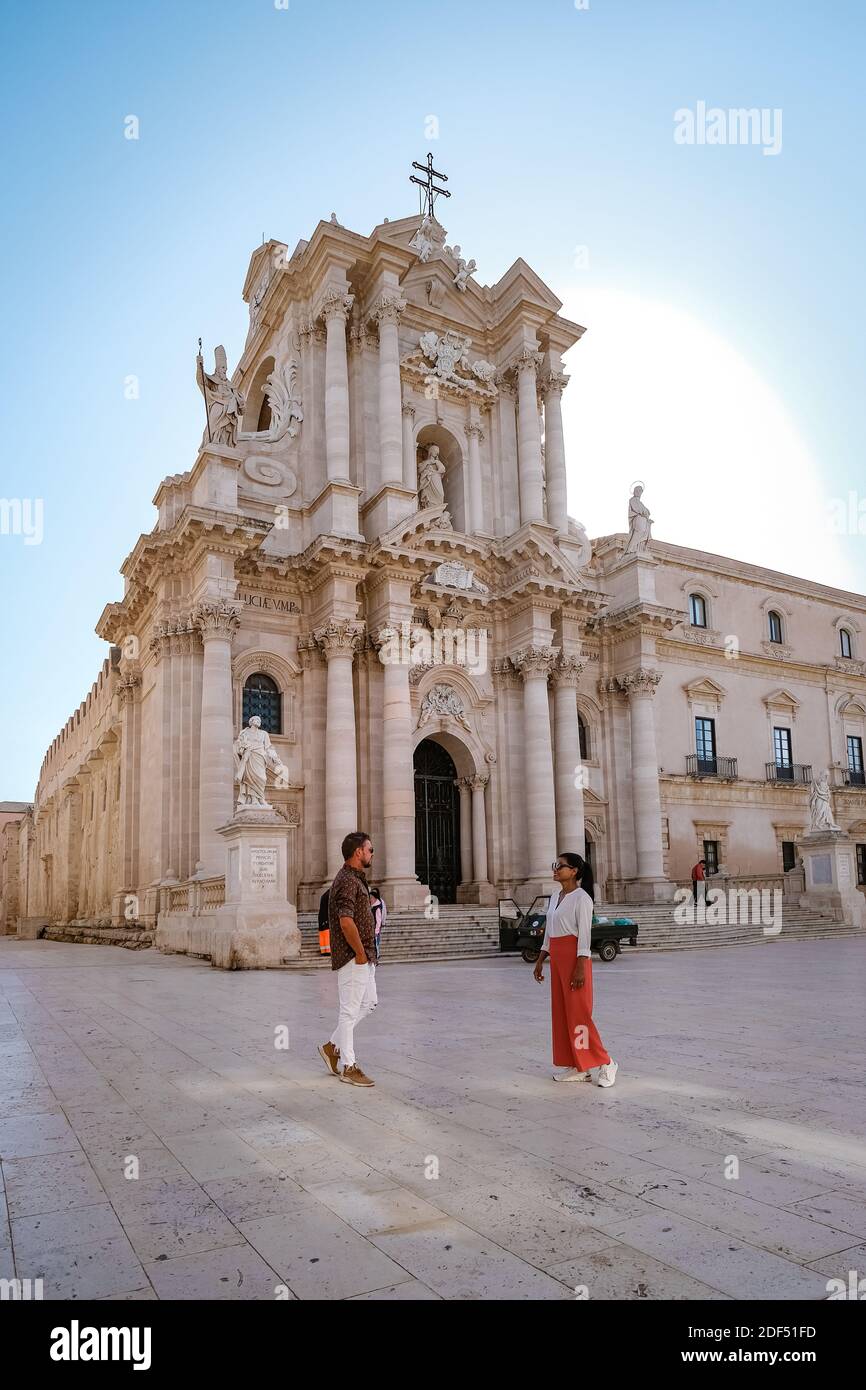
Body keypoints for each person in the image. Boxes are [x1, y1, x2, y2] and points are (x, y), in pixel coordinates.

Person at [533, 853, 617, 1087]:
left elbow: (585, 936)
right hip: (557, 958)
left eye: (560, 866)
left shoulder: (582, 898)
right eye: (555, 865)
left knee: (579, 1014)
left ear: (574, 871)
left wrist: (581, 966)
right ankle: (579, 1066)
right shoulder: (554, 896)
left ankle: (606, 1061)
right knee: (562, 1014)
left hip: (575, 958)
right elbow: (550, 931)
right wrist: (541, 959)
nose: (556, 869)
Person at [317, 832, 378, 1087]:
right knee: (349, 1009)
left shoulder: (355, 878)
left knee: (370, 1003)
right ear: (358, 853)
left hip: (365, 956)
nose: (372, 854)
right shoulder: (346, 880)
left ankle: (333, 1046)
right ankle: (348, 1066)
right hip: (355, 957)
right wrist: (360, 953)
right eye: (370, 849)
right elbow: (345, 920)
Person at [368, 886, 387, 960]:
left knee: (376, 943)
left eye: (371, 897)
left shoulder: (377, 906)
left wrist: (376, 931)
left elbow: (378, 920)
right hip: (371, 929)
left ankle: (376, 956)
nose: (370, 899)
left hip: (375, 929)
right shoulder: (372, 906)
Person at [317, 888, 331, 956]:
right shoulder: (329, 895)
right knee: (326, 934)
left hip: (322, 917)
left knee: (323, 934)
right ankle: (328, 951)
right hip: (325, 917)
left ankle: (324, 951)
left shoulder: (325, 895)